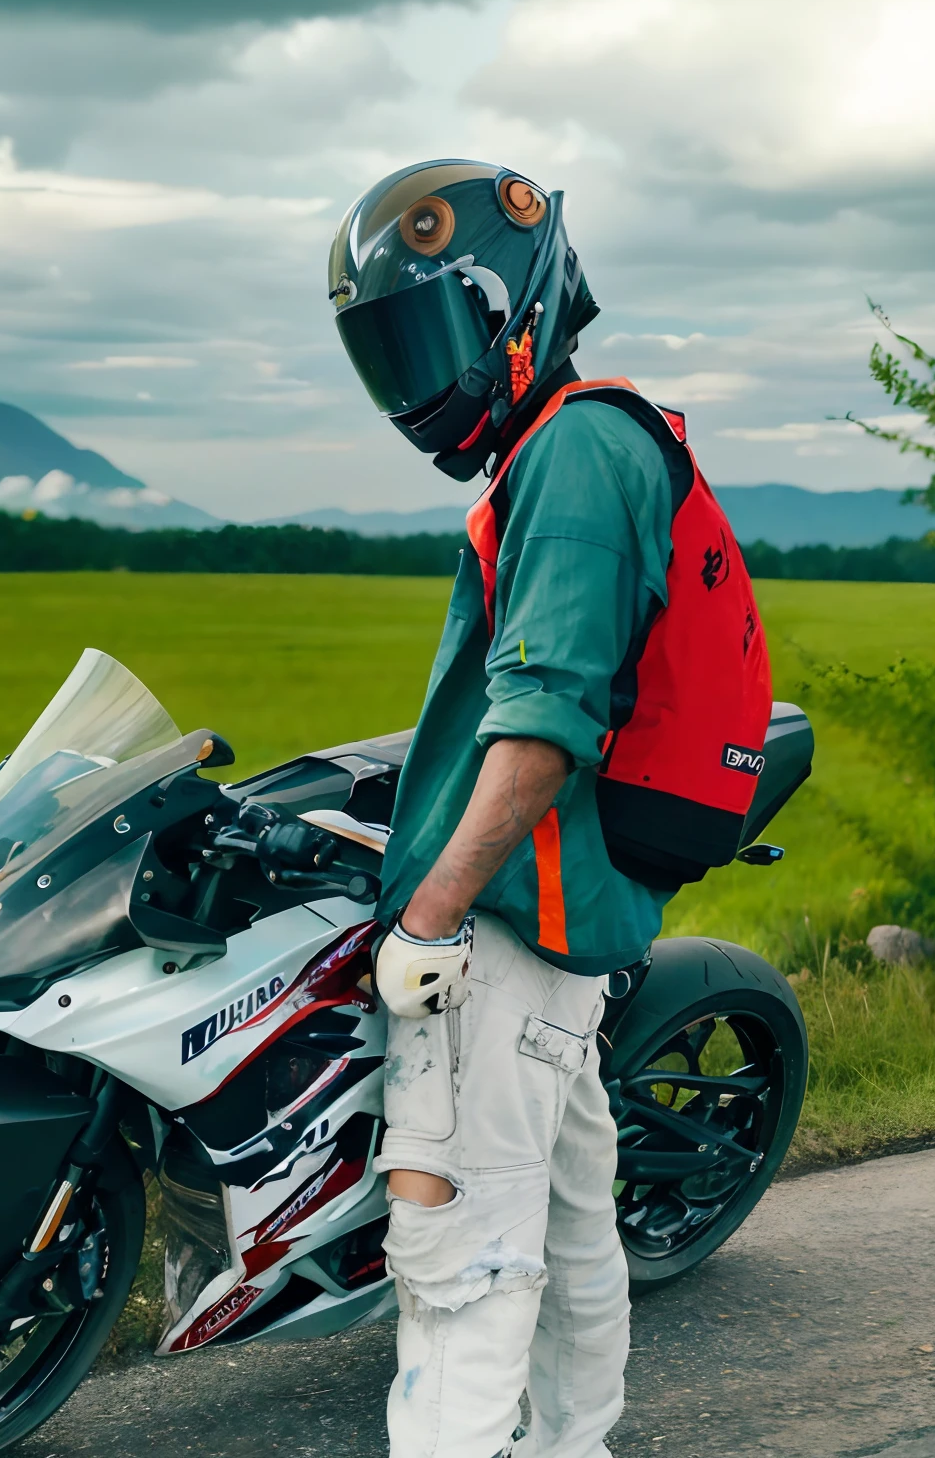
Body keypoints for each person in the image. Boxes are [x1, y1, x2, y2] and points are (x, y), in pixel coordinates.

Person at [329, 160, 771, 1458]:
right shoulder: (604, 435)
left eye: (428, 338)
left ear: (511, 306)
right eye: (388, 354)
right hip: (566, 954)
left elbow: (538, 734)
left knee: (458, 1269)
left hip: (505, 946)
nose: (414, 382)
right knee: (577, 1232)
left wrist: (428, 920)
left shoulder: (573, 451)